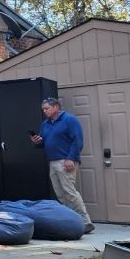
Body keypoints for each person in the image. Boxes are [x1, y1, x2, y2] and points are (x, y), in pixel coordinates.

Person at [30, 97, 94, 234]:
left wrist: (70, 158)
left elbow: (77, 140)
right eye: (43, 109)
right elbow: (43, 143)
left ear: (56, 107)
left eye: (47, 108)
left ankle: (86, 222)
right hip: (52, 162)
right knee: (60, 194)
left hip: (65, 161)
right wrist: (36, 141)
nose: (45, 111)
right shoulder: (45, 124)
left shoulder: (69, 120)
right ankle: (72, 221)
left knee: (69, 192)